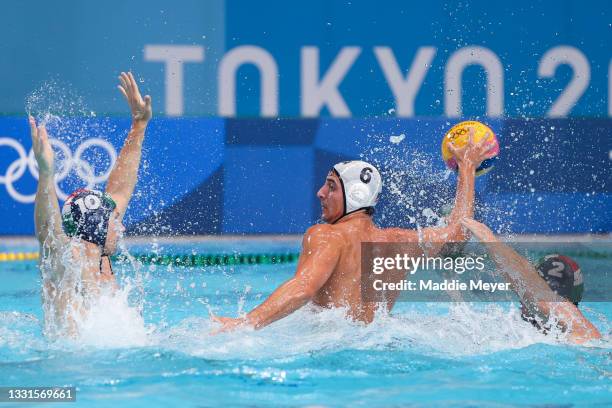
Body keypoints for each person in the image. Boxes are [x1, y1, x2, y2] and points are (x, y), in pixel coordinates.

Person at [212, 129, 497, 332]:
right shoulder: (398, 242)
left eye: (332, 186)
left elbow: (303, 288)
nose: (320, 193)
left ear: (355, 195)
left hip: (327, 347)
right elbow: (458, 234)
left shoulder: (325, 235)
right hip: (378, 344)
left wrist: (245, 323)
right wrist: (467, 170)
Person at [31, 71, 152, 336]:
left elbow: (119, 191)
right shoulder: (66, 264)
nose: (119, 228)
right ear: (96, 227)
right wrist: (46, 174)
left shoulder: (101, 258)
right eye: (114, 221)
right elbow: (47, 229)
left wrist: (138, 127)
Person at [461, 218, 601, 344]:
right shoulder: (520, 333)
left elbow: (539, 296)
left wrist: (487, 237)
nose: (523, 299)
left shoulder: (581, 331)